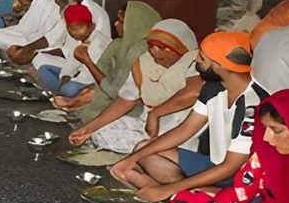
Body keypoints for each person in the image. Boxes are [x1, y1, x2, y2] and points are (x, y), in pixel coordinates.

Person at [108, 31, 264, 203]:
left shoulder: (253, 105)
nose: (196, 60)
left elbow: (231, 167)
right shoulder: (215, 88)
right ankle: (189, 195)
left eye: (202, 58)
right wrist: (130, 160)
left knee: (141, 171)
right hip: (214, 164)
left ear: (220, 66)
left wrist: (169, 188)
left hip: (239, 177)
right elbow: (185, 130)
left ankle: (187, 195)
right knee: (143, 149)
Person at [68, 18, 200, 157]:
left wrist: (155, 114)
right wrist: (88, 129)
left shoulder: (194, 63)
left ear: (179, 48)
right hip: (145, 124)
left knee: (145, 147)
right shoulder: (144, 63)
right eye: (151, 45)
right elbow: (125, 100)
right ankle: (143, 154)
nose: (154, 51)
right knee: (99, 132)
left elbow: (194, 92)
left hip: (178, 129)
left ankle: (149, 156)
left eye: (162, 47)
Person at [61, 0, 161, 119]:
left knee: (83, 108)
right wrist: (83, 96)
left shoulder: (138, 51)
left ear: (134, 24)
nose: (116, 24)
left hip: (129, 108)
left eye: (121, 22)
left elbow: (116, 93)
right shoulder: (119, 43)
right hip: (108, 94)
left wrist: (87, 61)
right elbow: (102, 76)